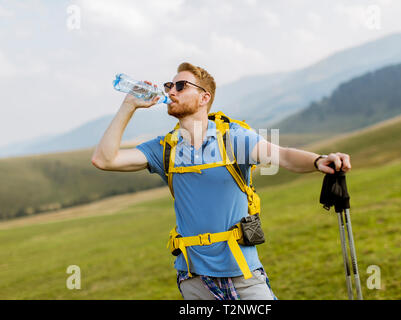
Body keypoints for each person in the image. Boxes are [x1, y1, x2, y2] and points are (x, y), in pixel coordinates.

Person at [91, 62, 352, 300]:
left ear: (205, 97)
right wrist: (129, 105)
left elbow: (283, 156)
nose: (171, 91)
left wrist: (318, 161)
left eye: (181, 86)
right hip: (192, 280)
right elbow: (104, 160)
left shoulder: (233, 139)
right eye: (169, 86)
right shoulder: (164, 149)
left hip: (243, 276)